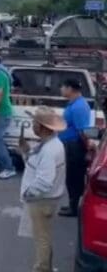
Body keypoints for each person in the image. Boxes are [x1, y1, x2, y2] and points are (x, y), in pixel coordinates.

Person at [19, 106, 66, 272]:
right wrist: (26, 152)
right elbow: (37, 167)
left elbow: (44, 181)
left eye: (35, 123)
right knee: (44, 237)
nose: (32, 125)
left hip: (41, 201)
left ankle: (42, 269)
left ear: (43, 128)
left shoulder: (48, 150)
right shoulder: (50, 144)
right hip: (47, 199)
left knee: (41, 240)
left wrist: (28, 193)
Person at [58, 78, 91, 217]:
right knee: (70, 176)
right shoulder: (73, 104)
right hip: (69, 144)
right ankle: (72, 204)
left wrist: (88, 147)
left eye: (63, 87)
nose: (61, 90)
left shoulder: (79, 107)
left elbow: (82, 132)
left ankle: (74, 207)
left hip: (75, 146)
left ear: (70, 89)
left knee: (74, 177)